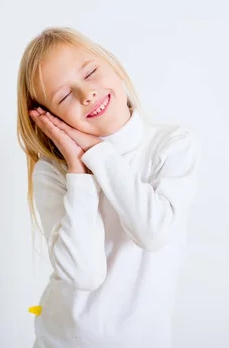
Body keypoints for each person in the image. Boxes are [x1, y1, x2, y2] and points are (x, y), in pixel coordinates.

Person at [16, 27, 201, 348]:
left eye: (90, 73)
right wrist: (79, 172)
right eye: (63, 96)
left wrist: (97, 152)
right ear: (50, 118)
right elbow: (84, 275)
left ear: (113, 65)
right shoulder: (54, 172)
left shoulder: (172, 145)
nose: (86, 94)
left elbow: (152, 233)